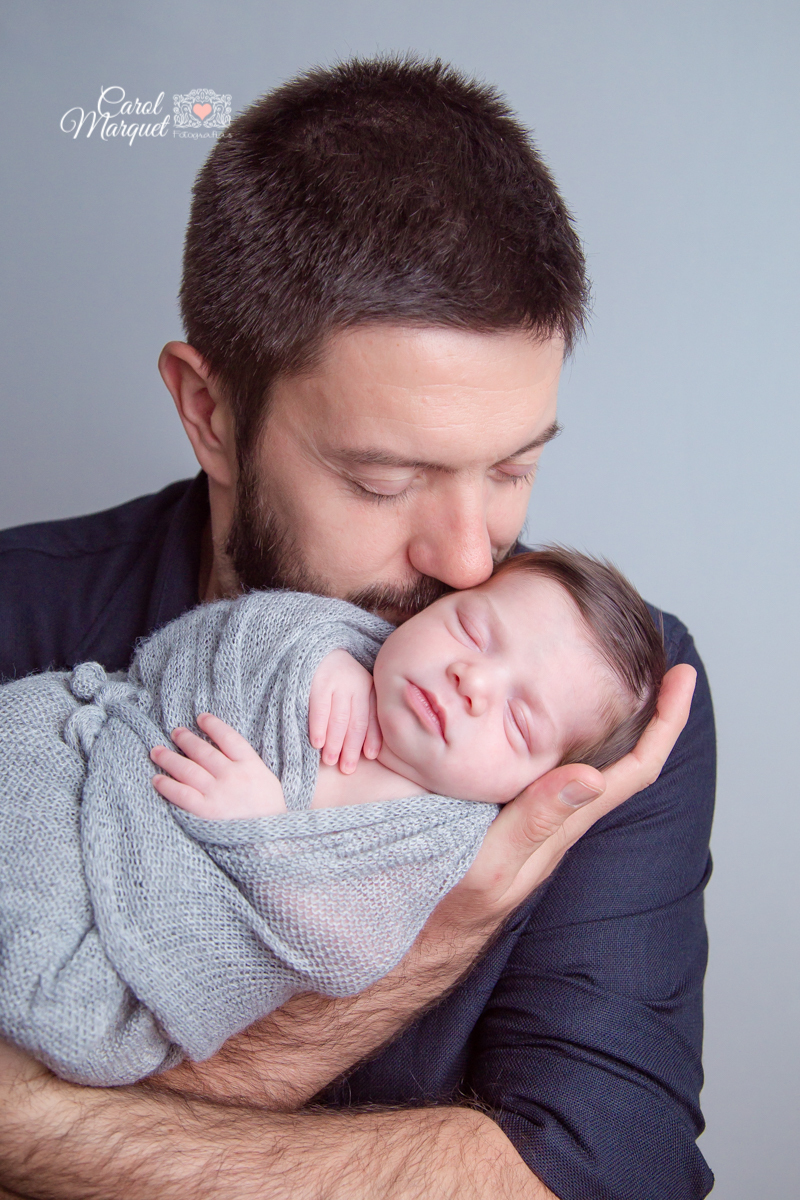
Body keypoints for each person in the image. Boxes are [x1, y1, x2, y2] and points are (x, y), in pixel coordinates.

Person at [0, 56, 714, 1200]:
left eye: (512, 468)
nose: (469, 559)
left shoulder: (602, 703)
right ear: (210, 413)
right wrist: (438, 939)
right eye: (386, 480)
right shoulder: (19, 610)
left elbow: (604, 1174)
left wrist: (34, 1125)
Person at [0, 549, 666, 1090]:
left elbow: (347, 951)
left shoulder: (441, 840)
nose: (473, 680)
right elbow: (179, 655)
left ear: (535, 783)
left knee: (56, 996)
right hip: (83, 772)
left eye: (520, 720)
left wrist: (258, 834)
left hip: (140, 939)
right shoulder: (330, 638)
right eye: (472, 631)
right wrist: (313, 657)